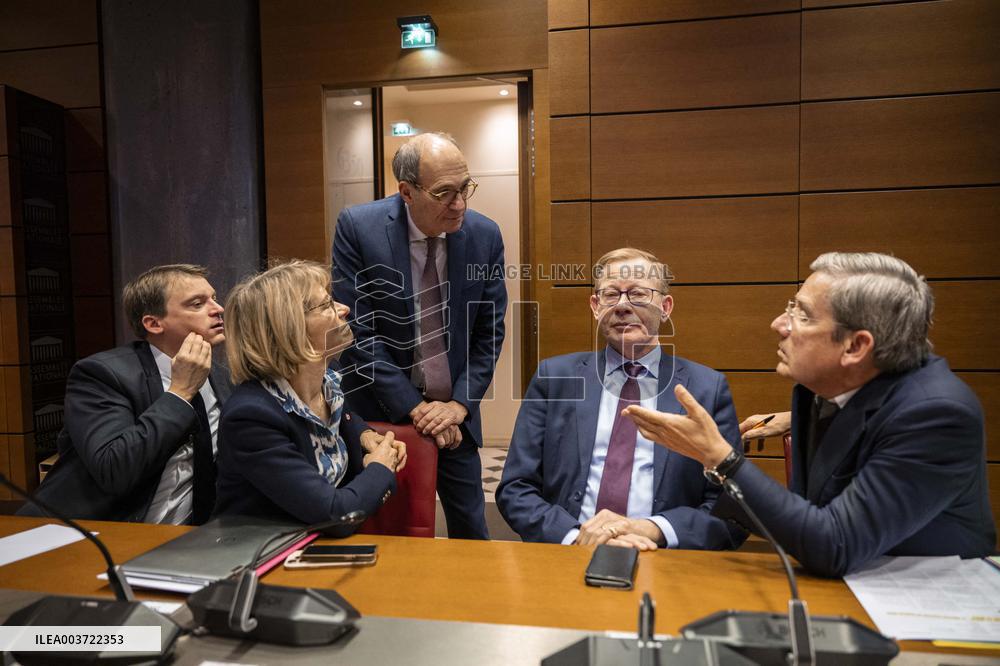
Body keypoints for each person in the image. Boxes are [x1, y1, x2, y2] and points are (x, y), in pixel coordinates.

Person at [625, 252, 996, 576]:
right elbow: (804, 515)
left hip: (929, 606)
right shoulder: (817, 388)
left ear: (855, 346)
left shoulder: (938, 416)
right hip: (845, 584)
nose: (779, 324)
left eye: (801, 315)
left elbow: (833, 544)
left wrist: (719, 457)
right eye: (791, 306)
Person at [497, 248, 745, 550]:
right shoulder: (555, 377)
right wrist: (575, 537)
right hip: (568, 554)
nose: (622, 306)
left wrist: (657, 529)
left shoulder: (707, 389)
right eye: (611, 295)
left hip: (665, 560)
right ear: (594, 306)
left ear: (665, 307)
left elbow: (731, 509)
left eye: (638, 294)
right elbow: (516, 488)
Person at [332, 132, 506, 539]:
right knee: (385, 531)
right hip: (380, 412)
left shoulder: (484, 235)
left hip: (455, 419)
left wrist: (460, 406)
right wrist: (414, 408)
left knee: (472, 534)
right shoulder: (359, 228)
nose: (460, 203)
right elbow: (358, 331)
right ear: (406, 192)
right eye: (445, 192)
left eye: (465, 188)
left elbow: (488, 332)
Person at [21, 264, 229, 524]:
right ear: (153, 323)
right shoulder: (102, 374)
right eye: (197, 304)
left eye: (214, 299)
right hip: (89, 535)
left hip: (187, 543)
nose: (217, 309)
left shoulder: (221, 377)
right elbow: (115, 470)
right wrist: (180, 393)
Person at [214, 260, 406, 530]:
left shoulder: (327, 382)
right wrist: (380, 466)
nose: (344, 309)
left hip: (314, 550)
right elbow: (336, 517)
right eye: (327, 305)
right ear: (287, 328)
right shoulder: (251, 416)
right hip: (266, 559)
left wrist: (366, 435)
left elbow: (345, 419)